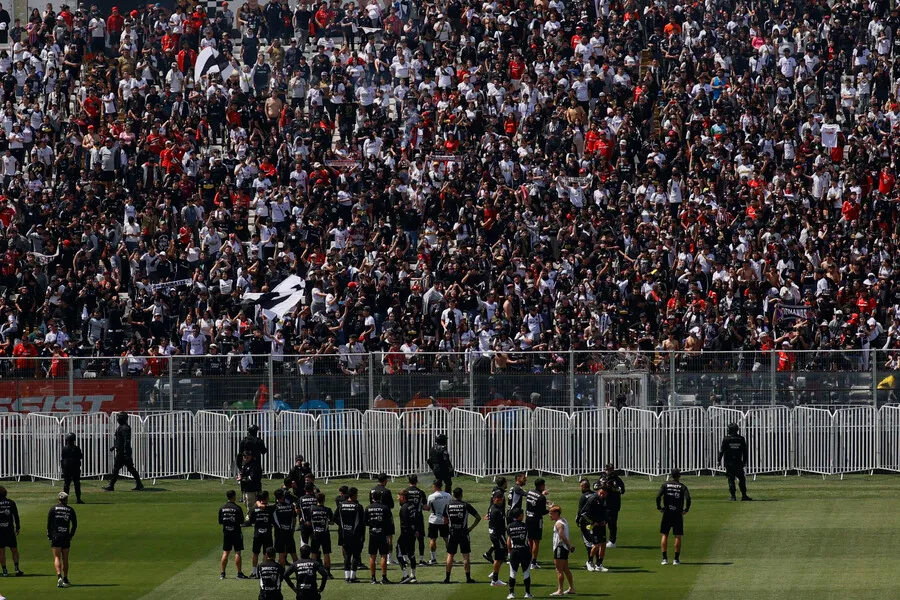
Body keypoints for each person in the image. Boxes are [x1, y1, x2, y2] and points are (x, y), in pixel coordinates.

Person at [443, 487, 479, 584]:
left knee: (450, 555)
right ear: (461, 494)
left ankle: (447, 578)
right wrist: (471, 528)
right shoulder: (465, 505)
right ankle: (468, 578)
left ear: (453, 495)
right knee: (466, 556)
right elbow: (478, 517)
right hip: (463, 533)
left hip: (452, 533)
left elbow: (445, 521)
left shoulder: (447, 506)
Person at [657, 469, 691, 566]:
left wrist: (659, 507)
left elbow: (658, 497)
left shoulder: (665, 485)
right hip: (677, 513)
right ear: (679, 476)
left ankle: (664, 559)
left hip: (667, 512)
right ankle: (676, 559)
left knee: (664, 535)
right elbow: (688, 498)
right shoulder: (682, 486)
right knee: (678, 535)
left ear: (671, 475)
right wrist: (686, 509)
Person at [102, 412, 144, 492]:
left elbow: (126, 441)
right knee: (128, 468)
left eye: (119, 417)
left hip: (123, 452)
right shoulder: (121, 427)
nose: (117, 419)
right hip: (121, 451)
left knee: (118, 468)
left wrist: (125, 452)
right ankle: (139, 484)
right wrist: (114, 447)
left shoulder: (125, 428)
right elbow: (119, 440)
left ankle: (111, 485)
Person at [576, 480, 609, 572]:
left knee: (603, 544)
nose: (602, 495)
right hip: (593, 526)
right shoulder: (592, 499)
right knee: (596, 544)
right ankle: (590, 561)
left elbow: (607, 512)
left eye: (604, 494)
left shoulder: (605, 500)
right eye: (601, 493)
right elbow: (583, 512)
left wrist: (605, 521)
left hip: (601, 525)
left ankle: (599, 564)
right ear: (598, 491)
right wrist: (592, 522)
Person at [47, 491, 77, 588]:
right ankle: (65, 578)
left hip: (56, 535)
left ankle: (59, 576)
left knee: (56, 557)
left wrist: (50, 534)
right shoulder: (70, 510)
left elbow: (49, 524)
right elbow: (74, 525)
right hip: (65, 536)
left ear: (59, 499)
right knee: (65, 559)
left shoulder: (53, 509)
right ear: (66, 499)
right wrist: (71, 535)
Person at [364, 488, 394, 584]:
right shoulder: (385, 508)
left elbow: (365, 522)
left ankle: (373, 578)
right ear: (380, 498)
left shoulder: (368, 508)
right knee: (383, 555)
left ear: (372, 497)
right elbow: (389, 523)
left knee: (372, 556)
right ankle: (384, 577)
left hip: (372, 534)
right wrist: (389, 538)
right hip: (382, 534)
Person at [335, 486, 364, 582]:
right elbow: (362, 522)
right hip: (356, 534)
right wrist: (362, 536)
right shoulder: (358, 506)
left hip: (344, 534)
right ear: (354, 495)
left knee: (347, 555)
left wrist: (342, 525)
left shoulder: (341, 505)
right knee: (355, 555)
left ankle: (346, 577)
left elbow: (334, 518)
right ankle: (353, 576)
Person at [219, 489, 248, 579]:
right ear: (234, 496)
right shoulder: (237, 508)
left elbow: (220, 521)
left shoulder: (222, 508)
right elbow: (242, 521)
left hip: (226, 532)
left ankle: (222, 573)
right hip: (236, 532)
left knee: (225, 553)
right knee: (237, 552)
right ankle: (239, 573)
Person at [719, 423, 752, 501]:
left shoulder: (726, 439)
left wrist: (719, 460)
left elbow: (722, 451)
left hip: (729, 463)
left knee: (731, 479)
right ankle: (744, 495)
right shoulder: (741, 439)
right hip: (738, 462)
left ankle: (733, 496)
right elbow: (745, 452)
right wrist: (744, 461)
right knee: (741, 478)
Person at [506, 508, 533, 599]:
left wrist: (510, 552)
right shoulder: (526, 526)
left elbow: (508, 542)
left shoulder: (509, 526)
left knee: (512, 573)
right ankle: (527, 593)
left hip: (514, 551)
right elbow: (529, 541)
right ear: (520, 515)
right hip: (525, 551)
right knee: (526, 572)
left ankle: (511, 594)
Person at [548, 505, 575, 597]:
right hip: (564, 549)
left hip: (560, 548)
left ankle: (560, 590)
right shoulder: (563, 520)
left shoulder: (558, 524)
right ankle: (571, 588)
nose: (549, 515)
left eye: (551, 514)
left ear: (556, 514)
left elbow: (562, 536)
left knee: (559, 570)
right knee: (566, 569)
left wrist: (569, 546)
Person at [424, 479, 451, 565]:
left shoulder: (431, 496)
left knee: (433, 539)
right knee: (447, 539)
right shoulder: (448, 496)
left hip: (434, 520)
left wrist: (420, 507)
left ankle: (433, 558)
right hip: (444, 520)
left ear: (434, 486)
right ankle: (450, 557)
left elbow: (428, 508)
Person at [249, 491, 276, 578]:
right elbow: (273, 520)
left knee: (255, 553)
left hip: (257, 533)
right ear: (266, 498)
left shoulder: (254, 509)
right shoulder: (271, 508)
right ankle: (263, 571)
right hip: (267, 533)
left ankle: (254, 572)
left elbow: (251, 519)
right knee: (266, 553)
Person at [369, 473, 394, 564]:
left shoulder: (372, 490)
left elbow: (370, 502)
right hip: (385, 515)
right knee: (389, 536)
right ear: (385, 480)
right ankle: (389, 558)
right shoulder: (387, 491)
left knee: (373, 535)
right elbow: (391, 505)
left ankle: (374, 559)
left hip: (373, 515)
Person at [525, 478, 549, 569]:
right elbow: (543, 511)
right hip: (536, 520)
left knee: (529, 540)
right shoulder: (542, 497)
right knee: (536, 541)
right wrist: (550, 509)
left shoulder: (530, 492)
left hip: (528, 518)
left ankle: (529, 559)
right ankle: (534, 562)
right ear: (541, 485)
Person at [308, 493, 334, 577]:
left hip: (315, 533)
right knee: (326, 553)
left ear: (316, 500)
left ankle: (312, 572)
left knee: (314, 553)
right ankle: (328, 572)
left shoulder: (311, 509)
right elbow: (332, 522)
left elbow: (308, 521)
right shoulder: (327, 510)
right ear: (324, 500)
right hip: (325, 533)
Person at [395, 489, 418, 583]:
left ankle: (405, 575)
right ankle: (413, 575)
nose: (397, 499)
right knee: (411, 553)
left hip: (406, 534)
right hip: (412, 533)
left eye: (398, 497)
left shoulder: (404, 508)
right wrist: (415, 530)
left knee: (399, 552)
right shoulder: (412, 505)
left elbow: (405, 523)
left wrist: (404, 535)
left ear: (402, 497)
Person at [599, 464, 624, 547]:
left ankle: (612, 541)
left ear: (612, 470)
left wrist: (612, 487)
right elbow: (596, 486)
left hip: (613, 504)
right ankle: (600, 540)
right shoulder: (602, 477)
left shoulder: (617, 479)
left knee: (611, 523)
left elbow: (621, 490)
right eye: (606, 469)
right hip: (602, 503)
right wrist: (601, 485)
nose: (607, 471)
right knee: (600, 522)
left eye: (609, 470)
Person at [403, 474, 426, 565]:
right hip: (418, 517)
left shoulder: (405, 492)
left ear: (409, 481)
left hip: (407, 517)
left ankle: (406, 559)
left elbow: (402, 504)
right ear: (417, 481)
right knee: (420, 539)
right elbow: (424, 506)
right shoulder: (420, 492)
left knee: (407, 538)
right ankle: (421, 559)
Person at [483, 476, 507, 563]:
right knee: (501, 536)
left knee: (500, 537)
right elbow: (494, 502)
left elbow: (491, 502)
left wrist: (488, 512)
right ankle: (503, 556)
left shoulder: (495, 489)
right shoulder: (499, 493)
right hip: (497, 515)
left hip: (494, 513)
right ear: (504, 483)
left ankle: (489, 553)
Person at [0, 487, 23, 577]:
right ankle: (17, 569)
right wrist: (17, 527)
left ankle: (5, 571)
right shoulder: (11, 503)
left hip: (0, 530)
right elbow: (16, 516)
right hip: (9, 529)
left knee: (1, 551)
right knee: (14, 550)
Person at [487, 490, 507, 587]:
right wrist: (503, 540)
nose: (501, 501)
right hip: (497, 535)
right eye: (498, 499)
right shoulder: (496, 511)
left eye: (502, 499)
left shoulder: (494, 508)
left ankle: (494, 574)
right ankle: (495, 579)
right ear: (494, 499)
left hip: (497, 534)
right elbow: (498, 527)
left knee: (500, 557)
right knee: (499, 557)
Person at [273, 489, 299, 566]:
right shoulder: (290, 507)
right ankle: (299, 572)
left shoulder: (274, 508)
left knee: (281, 554)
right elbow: (294, 518)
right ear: (283, 496)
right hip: (289, 532)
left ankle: (282, 572)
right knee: (293, 553)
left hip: (279, 533)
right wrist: (292, 529)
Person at [238, 450, 264, 525]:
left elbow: (253, 477)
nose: (245, 459)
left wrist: (242, 478)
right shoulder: (244, 465)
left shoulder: (254, 465)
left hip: (252, 488)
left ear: (251, 457)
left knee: (251, 504)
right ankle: (255, 517)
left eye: (247, 457)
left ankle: (249, 518)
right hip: (245, 488)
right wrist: (240, 476)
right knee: (246, 503)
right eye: (244, 457)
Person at [61, 433, 85, 504]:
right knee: (76, 484)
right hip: (75, 468)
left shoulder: (64, 448)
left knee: (67, 484)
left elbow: (63, 458)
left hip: (67, 468)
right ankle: (78, 499)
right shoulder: (77, 448)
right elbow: (80, 457)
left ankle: (65, 500)